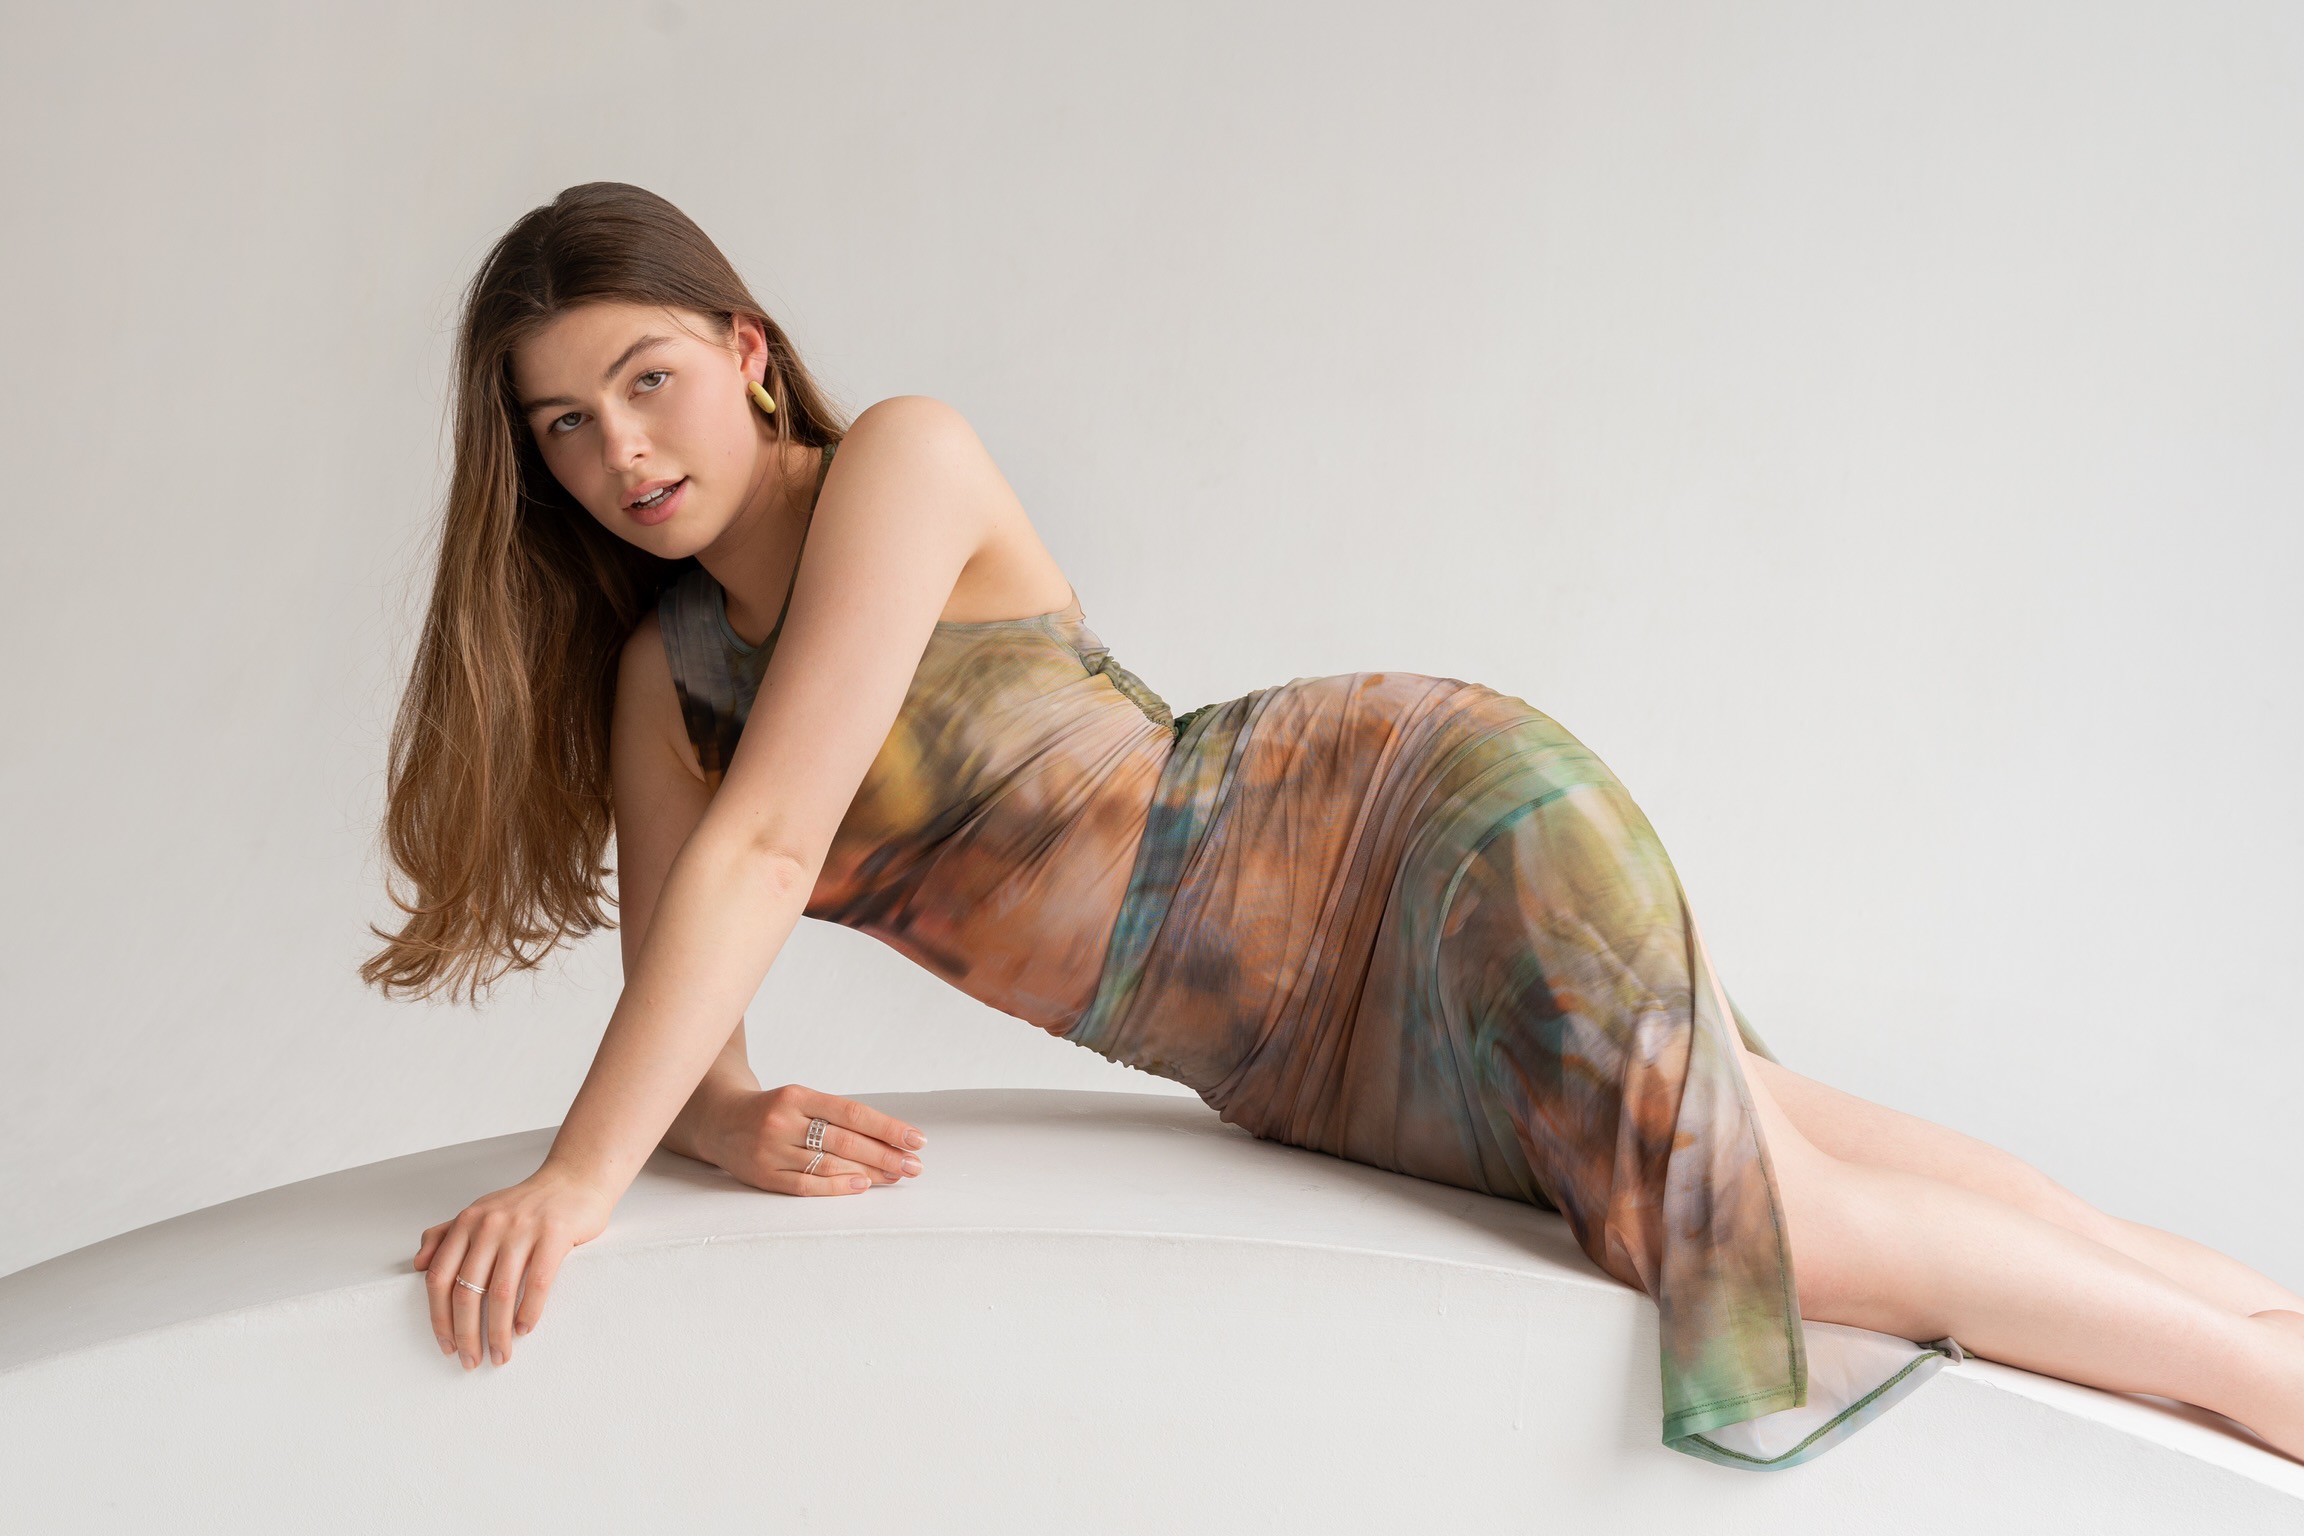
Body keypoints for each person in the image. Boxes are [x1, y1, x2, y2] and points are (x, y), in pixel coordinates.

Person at [366, 181, 2304, 1469]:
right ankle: (2254, 1310)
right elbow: (695, 1001)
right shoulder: (668, 677)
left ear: (745, 349)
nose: (624, 452)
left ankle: (2255, 1381)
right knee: (1771, 1136)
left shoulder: (899, 462)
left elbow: (771, 854)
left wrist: (573, 1186)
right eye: (564, 426)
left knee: (1720, 1214)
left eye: (648, 381)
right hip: (1299, 1047)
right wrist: (715, 1120)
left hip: (1389, 834)